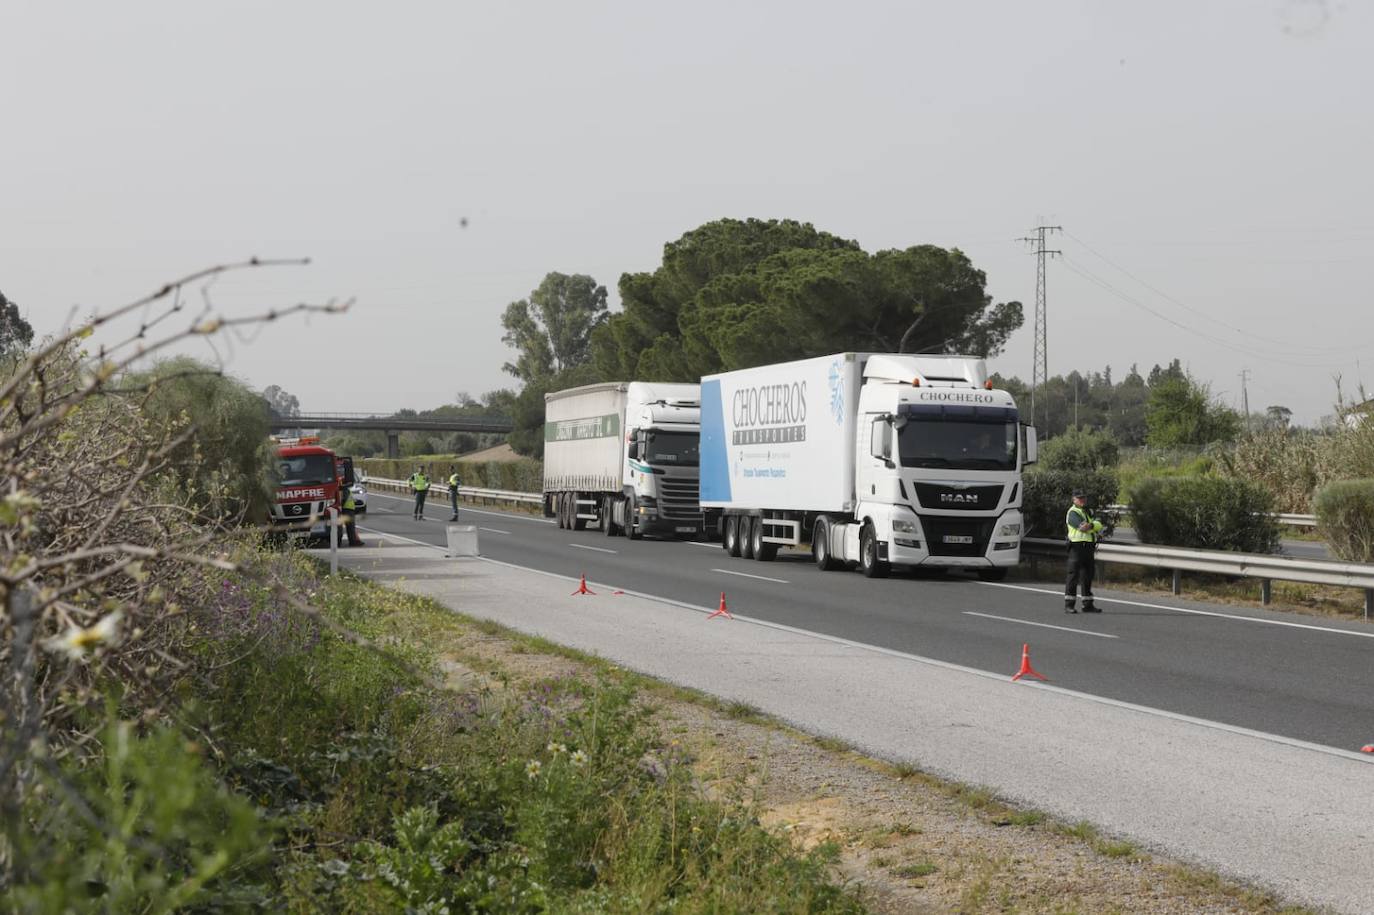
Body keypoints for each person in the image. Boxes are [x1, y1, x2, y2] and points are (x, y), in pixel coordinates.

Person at [1065, 489, 1105, 613]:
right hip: (1076, 547)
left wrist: (1091, 525)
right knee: (1073, 576)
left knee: (1088, 575)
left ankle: (1087, 604)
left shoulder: (1089, 511)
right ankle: (1069, 605)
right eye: (1080, 498)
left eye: (1084, 497)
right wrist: (1093, 526)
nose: (1082, 500)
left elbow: (1099, 524)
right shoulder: (1073, 512)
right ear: (1074, 499)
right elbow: (1082, 528)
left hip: (1088, 547)